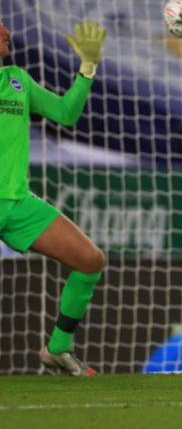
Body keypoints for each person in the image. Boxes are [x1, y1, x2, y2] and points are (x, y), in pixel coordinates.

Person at [0, 19, 107, 376]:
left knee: (90, 260)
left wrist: (87, 69)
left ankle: (58, 349)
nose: (6, 31)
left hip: (17, 204)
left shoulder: (17, 79)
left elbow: (65, 113)